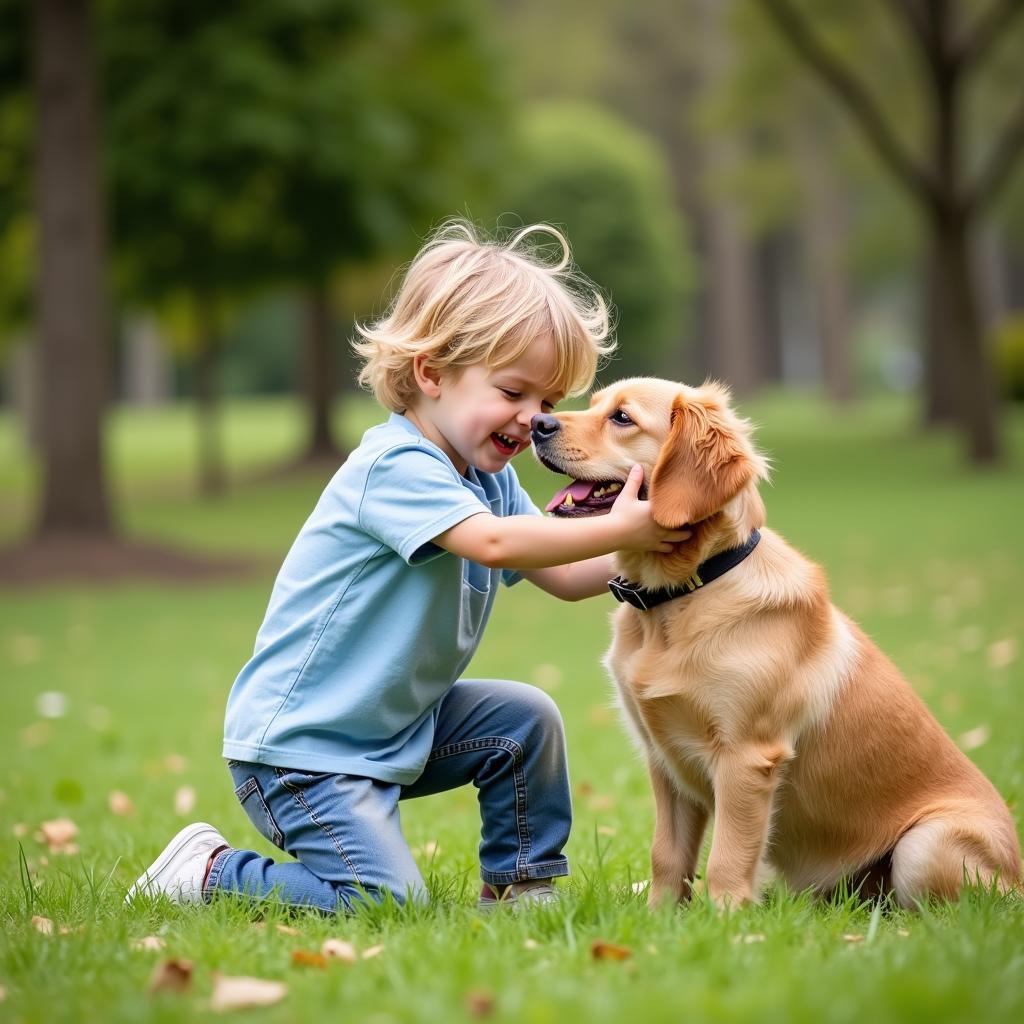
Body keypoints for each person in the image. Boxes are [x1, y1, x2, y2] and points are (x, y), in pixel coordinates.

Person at [125, 221, 687, 914]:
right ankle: (209, 872)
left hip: (392, 729)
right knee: (382, 903)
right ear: (431, 373)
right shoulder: (396, 466)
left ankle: (520, 887)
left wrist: (663, 547)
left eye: (547, 401)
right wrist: (620, 526)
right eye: (513, 393)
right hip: (304, 754)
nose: (534, 419)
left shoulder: (486, 476)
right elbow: (495, 546)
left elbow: (569, 577)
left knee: (524, 720)